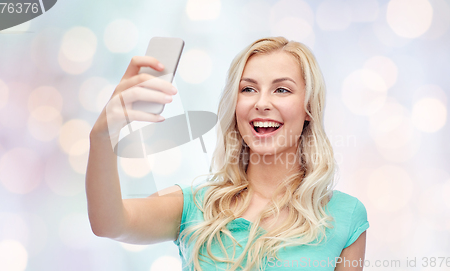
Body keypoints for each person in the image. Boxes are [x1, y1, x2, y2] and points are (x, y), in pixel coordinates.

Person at [86, 37, 369, 271]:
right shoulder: (194, 205)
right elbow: (109, 222)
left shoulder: (345, 217)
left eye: (281, 89)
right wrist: (101, 137)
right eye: (248, 89)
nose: (261, 103)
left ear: (308, 107)